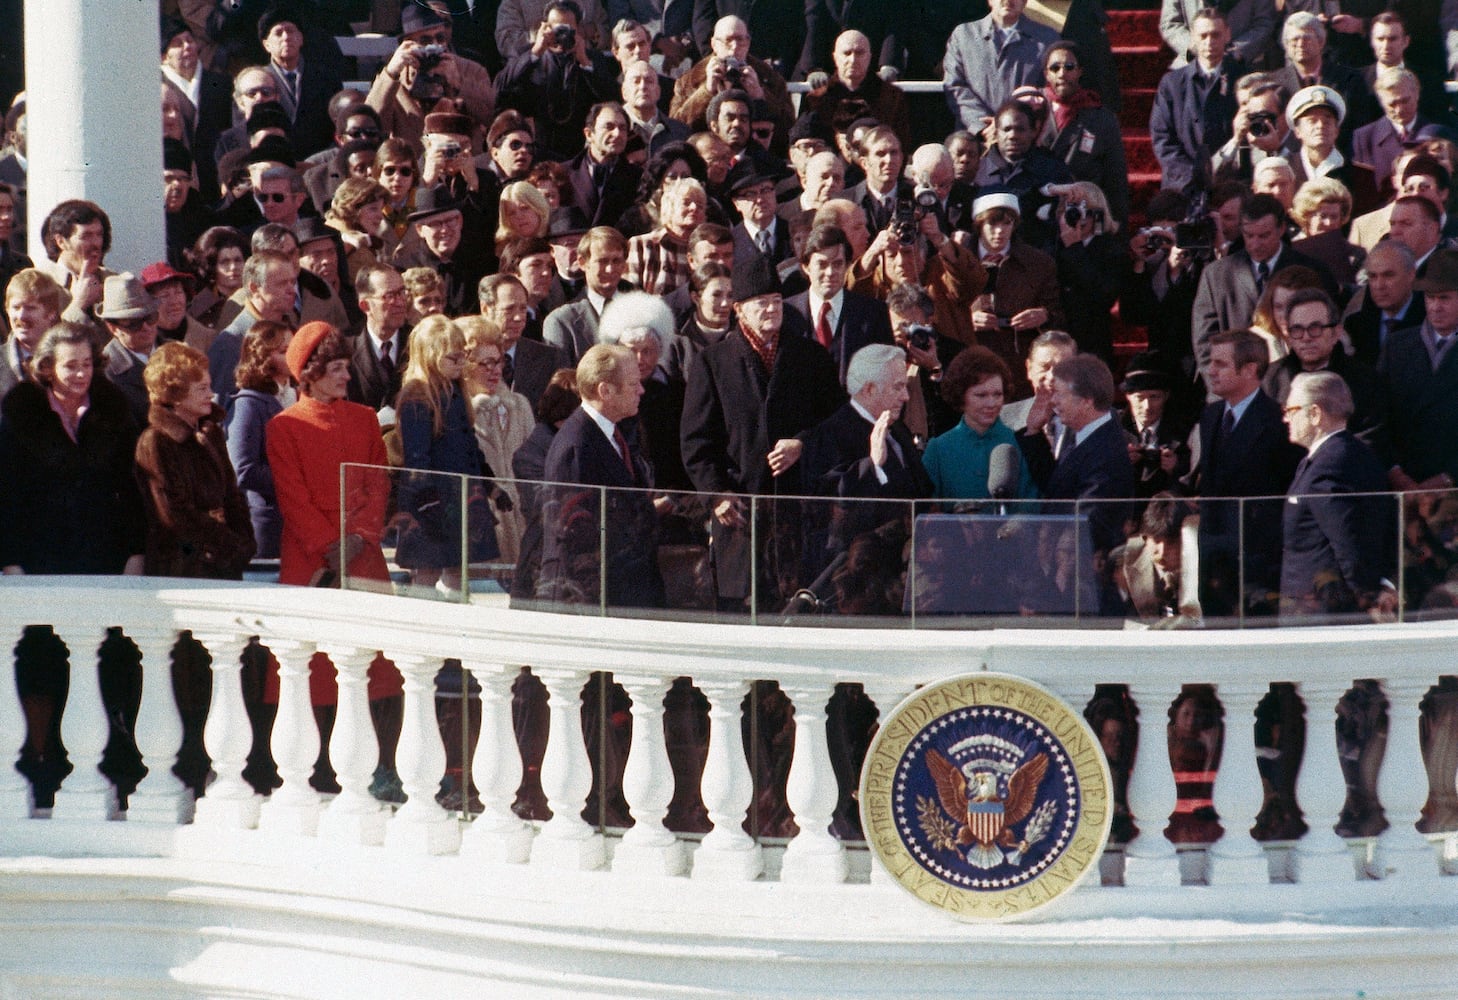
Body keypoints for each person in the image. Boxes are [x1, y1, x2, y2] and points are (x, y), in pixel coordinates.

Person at [680, 254, 844, 610]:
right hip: (741, 514)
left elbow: (837, 423)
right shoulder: (713, 362)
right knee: (741, 614)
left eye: (775, 301)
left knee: (800, 611)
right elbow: (696, 442)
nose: (771, 310)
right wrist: (717, 495)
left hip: (799, 513)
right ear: (739, 310)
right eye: (760, 303)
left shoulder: (811, 358)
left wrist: (803, 444)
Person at [1186, 328, 1304, 618]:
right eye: (1211, 362)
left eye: (1220, 364)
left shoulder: (1278, 421)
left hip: (1258, 559)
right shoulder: (1212, 416)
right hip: (1214, 556)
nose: (1210, 371)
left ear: (1250, 369)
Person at [538, 342, 666, 608]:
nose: (642, 390)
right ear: (605, 390)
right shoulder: (576, 446)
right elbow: (574, 537)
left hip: (625, 587)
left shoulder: (614, 434)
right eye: (633, 385)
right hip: (594, 598)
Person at [393, 314, 497, 599]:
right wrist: (426, 502)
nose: (461, 365)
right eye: (453, 359)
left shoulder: (455, 392)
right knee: (426, 571)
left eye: (463, 357)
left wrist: (490, 486)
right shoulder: (417, 397)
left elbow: (470, 447)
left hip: (461, 497)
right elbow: (417, 457)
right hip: (432, 501)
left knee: (457, 569)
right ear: (430, 357)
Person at [1280, 371, 1396, 620]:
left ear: (1314, 413)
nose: (1286, 418)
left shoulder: (1330, 464)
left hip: (1321, 610)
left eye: (1291, 410)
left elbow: (1347, 539)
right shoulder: (1352, 454)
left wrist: (1367, 596)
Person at [134, 341, 255, 580]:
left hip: (223, 562)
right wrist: (228, 544)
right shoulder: (156, 442)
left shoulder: (211, 433)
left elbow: (232, 493)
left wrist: (244, 542)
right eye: (202, 389)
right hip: (183, 568)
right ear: (175, 395)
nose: (211, 394)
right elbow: (175, 514)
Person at [1192, 193, 1331, 387]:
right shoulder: (1216, 275)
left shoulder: (1313, 271)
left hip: (1296, 386)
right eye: (1249, 235)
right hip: (1234, 392)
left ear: (1282, 229)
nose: (1255, 244)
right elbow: (1205, 343)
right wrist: (1222, 389)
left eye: (1264, 236)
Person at [1017, 352, 1134, 557]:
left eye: (1059, 394)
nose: (1053, 402)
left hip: (1083, 567)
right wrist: (1034, 433)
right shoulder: (1086, 434)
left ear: (1086, 401)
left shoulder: (1105, 450)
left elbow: (1088, 521)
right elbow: (1058, 487)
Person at [496, 1, 623, 158]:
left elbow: (613, 97)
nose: (561, 36)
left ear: (578, 30)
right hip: (539, 149)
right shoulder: (530, 56)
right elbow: (500, 87)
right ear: (545, 28)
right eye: (557, 29)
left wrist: (585, 62)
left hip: (581, 150)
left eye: (567, 29)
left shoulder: (592, 59)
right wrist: (536, 50)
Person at [365, 4, 498, 154]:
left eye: (440, 38)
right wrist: (391, 74)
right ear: (408, 42)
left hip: (462, 163)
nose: (434, 45)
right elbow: (370, 123)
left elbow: (493, 117)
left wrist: (459, 83)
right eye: (425, 40)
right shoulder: (394, 78)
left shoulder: (471, 70)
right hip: (412, 166)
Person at [1261, 288, 1386, 448]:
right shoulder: (1270, 379)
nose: (1306, 337)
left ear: (1336, 333)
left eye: (1315, 328)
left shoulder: (1365, 380)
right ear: (1289, 336)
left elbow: (1370, 441)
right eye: (1297, 329)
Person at [1378, 248, 1458, 493]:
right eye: (1429, 298)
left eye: (1444, 298)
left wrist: (1448, 478)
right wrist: (1394, 471)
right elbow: (1377, 414)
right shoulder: (1397, 345)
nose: (1435, 307)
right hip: (1401, 483)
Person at [458, 315, 534, 564]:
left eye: (498, 361)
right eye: (484, 363)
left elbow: (532, 466)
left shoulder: (519, 405)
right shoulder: (457, 411)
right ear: (465, 366)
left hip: (519, 517)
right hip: (478, 522)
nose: (494, 370)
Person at [969, 191, 1062, 385]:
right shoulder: (959, 262)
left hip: (1019, 360)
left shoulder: (1039, 263)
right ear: (979, 225)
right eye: (992, 224)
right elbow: (939, 311)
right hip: (970, 359)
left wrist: (1044, 316)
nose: (1000, 231)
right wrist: (966, 319)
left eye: (1006, 223)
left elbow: (1059, 313)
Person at [782, 224, 894, 386]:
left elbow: (886, 375)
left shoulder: (872, 313)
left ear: (848, 265)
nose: (830, 272)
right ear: (806, 267)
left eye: (837, 264)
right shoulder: (787, 314)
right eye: (822, 264)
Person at [1149, 8, 1244, 198]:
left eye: (1216, 35)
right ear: (1193, 37)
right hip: (1182, 186)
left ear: (1227, 34)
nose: (1209, 42)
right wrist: (1191, 178)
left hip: (1232, 185)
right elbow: (1162, 138)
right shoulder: (1172, 84)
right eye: (1203, 35)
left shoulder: (1243, 78)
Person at [922, 346, 1037, 501]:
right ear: (961, 395)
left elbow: (1032, 505)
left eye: (997, 394)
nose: (991, 403)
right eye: (981, 395)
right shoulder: (938, 449)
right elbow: (926, 511)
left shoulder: (1021, 443)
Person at [223, 320, 293, 560]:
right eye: (283, 351)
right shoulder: (248, 404)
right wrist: (294, 480)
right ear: (262, 358)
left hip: (295, 519)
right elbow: (242, 469)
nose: (293, 356)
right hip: (266, 523)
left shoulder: (294, 393)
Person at [943, 0, 1060, 133]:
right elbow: (955, 86)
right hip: (975, 140)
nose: (1008, 1)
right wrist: (981, 125)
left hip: (1025, 139)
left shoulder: (1047, 39)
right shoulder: (964, 35)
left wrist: (1012, 123)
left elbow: (1051, 90)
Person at [480, 273, 567, 414]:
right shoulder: (468, 358)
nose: (519, 317)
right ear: (486, 309)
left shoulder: (549, 359)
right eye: (509, 309)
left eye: (523, 309)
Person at [1344, 241, 1423, 367]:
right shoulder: (1356, 325)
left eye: (1388, 275)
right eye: (1373, 276)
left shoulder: (1430, 320)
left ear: (1411, 274)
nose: (1379, 285)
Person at [0, 269, 64, 400]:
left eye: (30, 308)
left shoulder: (68, 359)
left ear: (51, 313)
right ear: (7, 310)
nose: (21, 316)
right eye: (16, 308)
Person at [186, 227, 251, 330]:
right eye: (225, 262)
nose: (233, 267)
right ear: (211, 267)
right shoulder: (199, 307)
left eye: (238, 260)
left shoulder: (257, 297)